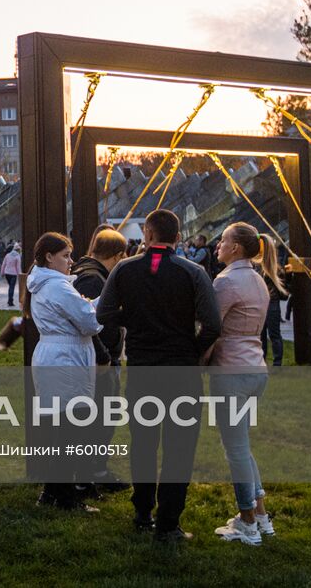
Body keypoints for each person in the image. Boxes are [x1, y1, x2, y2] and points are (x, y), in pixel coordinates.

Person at [96, 209, 221, 543]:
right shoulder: (192, 272)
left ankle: (142, 511)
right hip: (181, 369)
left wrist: (134, 318)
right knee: (180, 446)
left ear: (147, 234)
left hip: (142, 368)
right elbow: (213, 323)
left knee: (144, 441)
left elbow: (103, 313)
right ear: (178, 238)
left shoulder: (124, 268)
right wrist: (194, 349)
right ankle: (168, 523)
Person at [207, 224, 276, 546]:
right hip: (254, 368)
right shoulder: (258, 279)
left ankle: (247, 522)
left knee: (234, 449)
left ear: (235, 248)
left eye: (223, 240)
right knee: (242, 445)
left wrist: (197, 363)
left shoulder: (227, 282)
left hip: (231, 371)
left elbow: (211, 328)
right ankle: (260, 514)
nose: (218, 245)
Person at [26, 231, 103, 510]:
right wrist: (94, 307)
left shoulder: (43, 284)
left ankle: (51, 491)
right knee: (72, 430)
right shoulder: (58, 286)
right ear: (49, 256)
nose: (70, 261)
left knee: (59, 429)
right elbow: (89, 322)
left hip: (53, 355)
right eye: (66, 256)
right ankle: (66, 498)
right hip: (66, 358)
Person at [71, 227, 128, 495]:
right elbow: (87, 323)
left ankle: (95, 470)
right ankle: (90, 473)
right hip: (99, 361)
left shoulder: (90, 274)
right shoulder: (93, 280)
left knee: (103, 417)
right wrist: (104, 356)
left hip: (101, 357)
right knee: (99, 419)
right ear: (117, 256)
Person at [259, 242, 290, 367]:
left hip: (271, 302)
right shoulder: (259, 266)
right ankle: (263, 361)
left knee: (273, 334)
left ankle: (277, 363)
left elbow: (282, 286)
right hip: (264, 303)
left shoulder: (275, 268)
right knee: (262, 334)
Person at [0, 241, 22, 308]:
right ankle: (10, 301)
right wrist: (20, 275)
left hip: (7, 273)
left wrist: (2, 272)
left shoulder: (7, 255)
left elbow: (3, 264)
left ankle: (10, 300)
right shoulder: (17, 256)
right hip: (13, 274)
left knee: (10, 287)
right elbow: (18, 267)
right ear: (18, 250)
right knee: (11, 287)